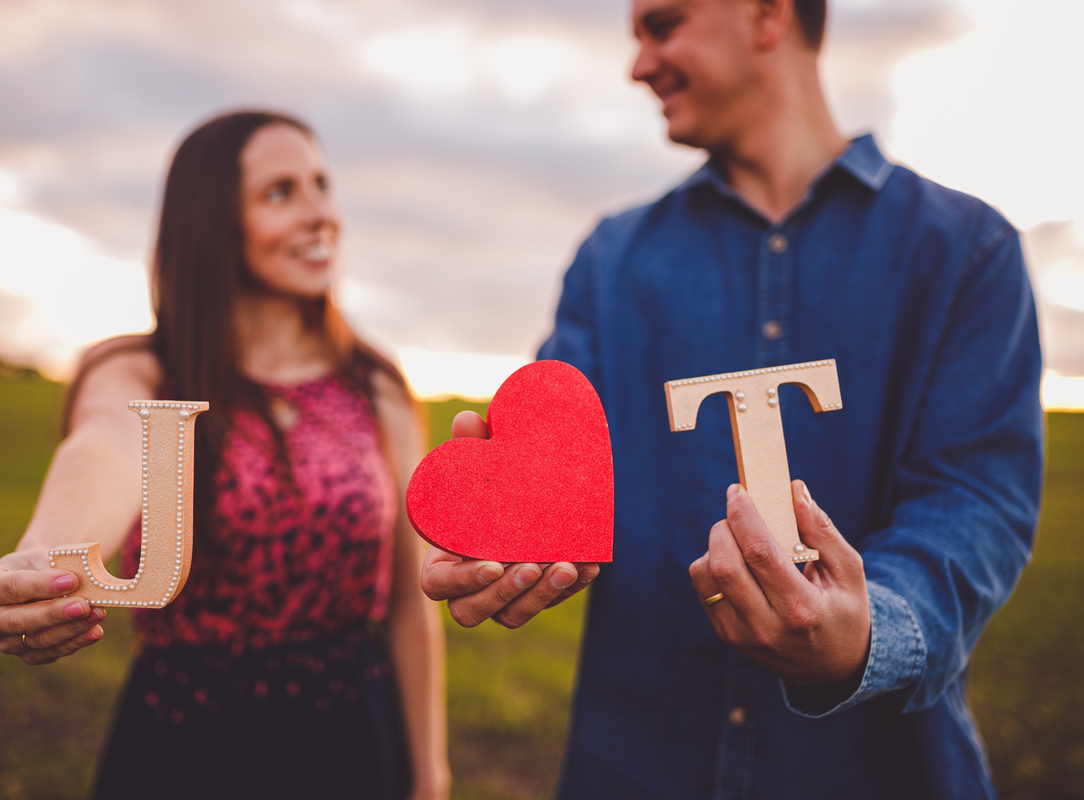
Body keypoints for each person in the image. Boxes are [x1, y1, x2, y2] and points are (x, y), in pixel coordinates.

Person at [421, 1, 1043, 798]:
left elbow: (977, 501)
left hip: (877, 772)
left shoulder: (966, 250)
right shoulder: (611, 260)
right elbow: (559, 465)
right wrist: (512, 537)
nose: (637, 64)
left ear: (766, 14)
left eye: (663, 24)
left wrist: (867, 632)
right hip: (637, 765)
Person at [0, 111, 450, 800]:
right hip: (191, 744)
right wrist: (47, 554)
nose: (322, 214)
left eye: (322, 184)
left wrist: (429, 775)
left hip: (351, 734)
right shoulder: (137, 372)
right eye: (280, 192)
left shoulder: (377, 386)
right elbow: (108, 442)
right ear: (212, 220)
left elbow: (409, 603)